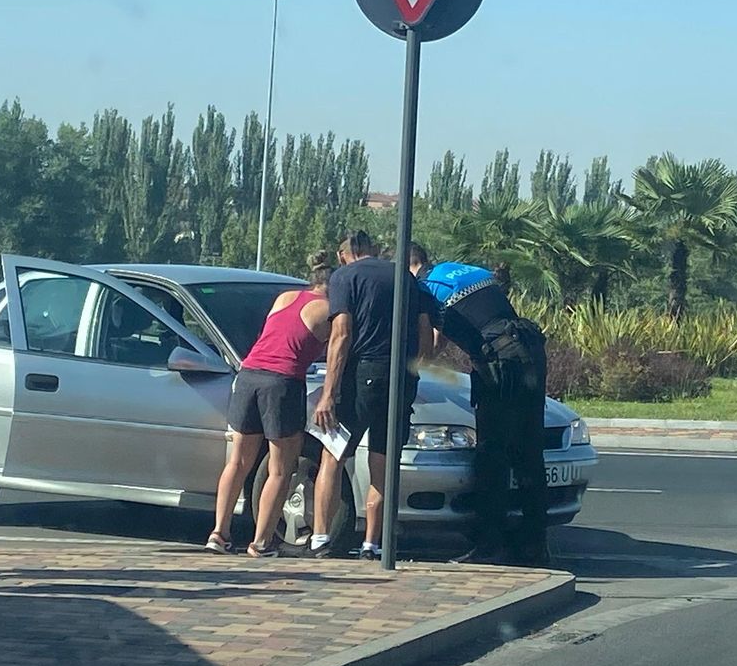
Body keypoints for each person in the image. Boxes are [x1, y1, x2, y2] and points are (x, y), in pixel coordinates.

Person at [420, 259, 552, 567]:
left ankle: (490, 545)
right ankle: (535, 545)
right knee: (529, 454)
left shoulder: (425, 287)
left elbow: (426, 344)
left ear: (414, 268)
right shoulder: (465, 273)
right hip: (529, 351)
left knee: (492, 456)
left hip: (499, 362)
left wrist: (417, 366)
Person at [311, 231, 432, 559]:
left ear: (342, 254)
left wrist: (328, 393)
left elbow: (342, 334)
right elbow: (425, 333)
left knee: (333, 455)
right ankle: (372, 543)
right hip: (401, 378)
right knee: (383, 460)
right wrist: (414, 369)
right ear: (375, 250)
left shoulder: (344, 278)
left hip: (362, 375)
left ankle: (321, 538)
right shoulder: (406, 277)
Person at [205, 252, 332, 557]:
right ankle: (260, 542)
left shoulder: (285, 297)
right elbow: (334, 348)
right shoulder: (328, 310)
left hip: (249, 375)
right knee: (280, 468)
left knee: (238, 461)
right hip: (282, 382)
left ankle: (218, 533)